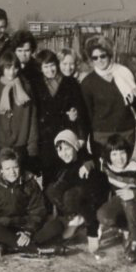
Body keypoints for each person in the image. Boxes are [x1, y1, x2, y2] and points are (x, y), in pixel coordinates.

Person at [0, 148, 66, 254]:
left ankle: (12, 247)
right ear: (1, 170)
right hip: (4, 228)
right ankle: (37, 249)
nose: (12, 172)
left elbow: (38, 211)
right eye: (7, 169)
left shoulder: (30, 183)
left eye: (15, 167)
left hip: (26, 227)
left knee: (56, 226)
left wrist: (28, 231)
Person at [81, 35, 136, 158]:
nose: (99, 60)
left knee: (124, 169)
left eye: (103, 56)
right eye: (95, 58)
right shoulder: (88, 82)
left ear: (109, 55)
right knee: (103, 171)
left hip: (126, 131)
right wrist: (86, 139)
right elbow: (87, 114)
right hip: (101, 135)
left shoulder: (125, 73)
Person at [96, 134, 136, 263]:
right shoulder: (107, 167)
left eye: (122, 153)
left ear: (128, 152)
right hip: (121, 203)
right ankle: (125, 228)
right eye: (114, 154)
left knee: (128, 198)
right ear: (108, 155)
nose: (119, 158)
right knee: (104, 215)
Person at [44, 130, 106, 254]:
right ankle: (73, 218)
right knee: (51, 190)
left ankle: (85, 223)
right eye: (60, 150)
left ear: (75, 147)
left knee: (70, 196)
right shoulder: (62, 164)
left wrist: (92, 232)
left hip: (95, 200)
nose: (63, 153)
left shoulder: (85, 162)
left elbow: (94, 201)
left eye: (67, 149)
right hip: (77, 199)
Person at [33, 49, 86, 182]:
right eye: (46, 67)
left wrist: (80, 132)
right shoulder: (36, 85)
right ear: (40, 68)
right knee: (48, 174)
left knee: (67, 172)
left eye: (52, 65)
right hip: (45, 136)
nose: (50, 70)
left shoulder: (70, 82)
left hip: (66, 132)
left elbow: (79, 108)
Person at [0, 51, 39, 172]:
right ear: (1, 68)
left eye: (15, 68)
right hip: (1, 142)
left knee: (19, 173)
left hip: (21, 141)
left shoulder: (26, 86)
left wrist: (32, 143)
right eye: (8, 68)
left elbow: (32, 116)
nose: (12, 72)